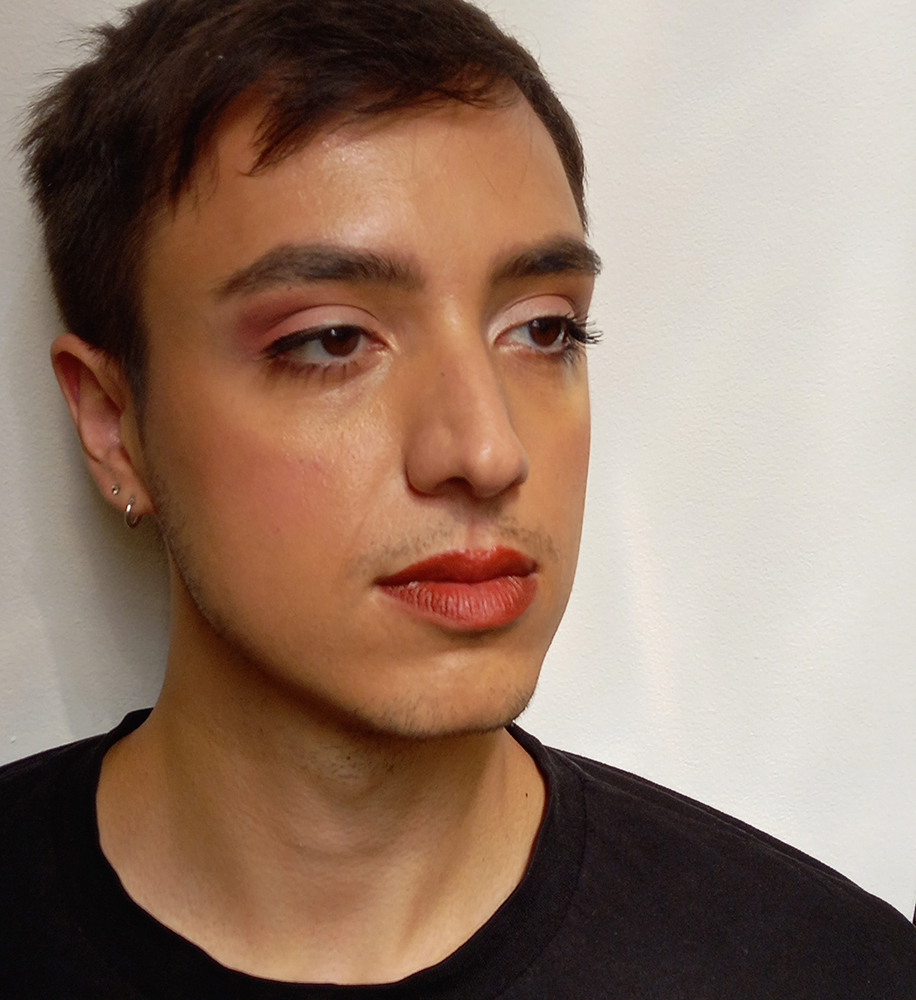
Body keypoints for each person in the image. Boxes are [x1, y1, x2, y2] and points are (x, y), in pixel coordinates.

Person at [2, 0, 914, 995]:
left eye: (543, 329)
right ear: (113, 424)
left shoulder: (830, 971)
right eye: (331, 340)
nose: (487, 451)